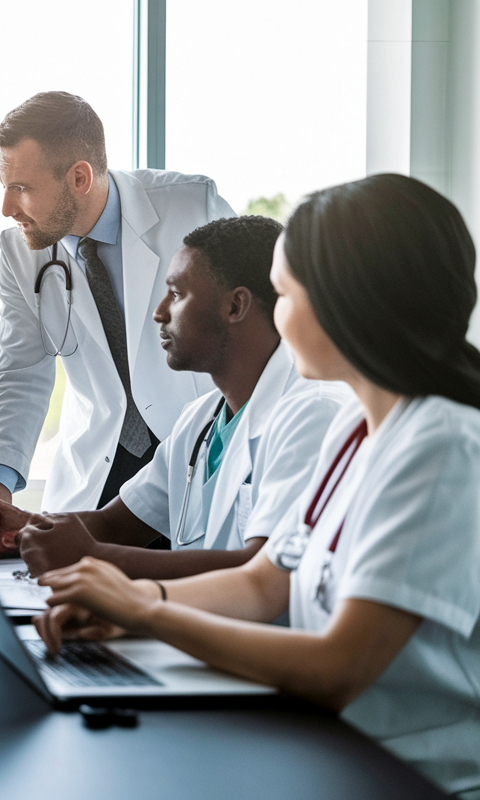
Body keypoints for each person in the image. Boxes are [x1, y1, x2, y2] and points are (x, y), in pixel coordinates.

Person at [32, 174, 480, 798]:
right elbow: (263, 581)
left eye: (287, 294)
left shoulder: (442, 446)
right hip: (329, 751)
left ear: (351, 302)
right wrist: (128, 612)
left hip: (407, 776)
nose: (278, 313)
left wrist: (147, 610)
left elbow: (339, 668)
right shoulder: (357, 426)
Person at [0, 216, 349, 579]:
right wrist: (21, 526)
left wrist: (92, 557)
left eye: (177, 294)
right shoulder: (199, 421)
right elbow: (113, 525)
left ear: (235, 306)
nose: (159, 313)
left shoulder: (314, 413)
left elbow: (264, 575)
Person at [0, 91, 235, 517]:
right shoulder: (20, 251)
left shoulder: (191, 206)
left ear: (79, 177)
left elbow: (259, 326)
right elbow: (21, 371)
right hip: (99, 470)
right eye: (5, 189)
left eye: (22, 189)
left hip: (196, 454)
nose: (7, 209)